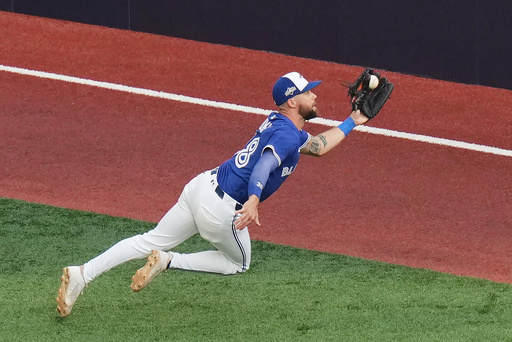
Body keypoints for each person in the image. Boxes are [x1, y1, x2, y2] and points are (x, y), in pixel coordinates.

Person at [56, 71, 371, 317]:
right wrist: (254, 199)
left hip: (201, 187)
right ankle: (169, 261)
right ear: (292, 101)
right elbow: (264, 166)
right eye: (307, 91)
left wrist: (353, 121)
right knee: (239, 263)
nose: (315, 94)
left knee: (148, 239)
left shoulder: (283, 125)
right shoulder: (288, 134)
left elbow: (317, 146)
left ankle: (83, 273)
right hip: (224, 209)